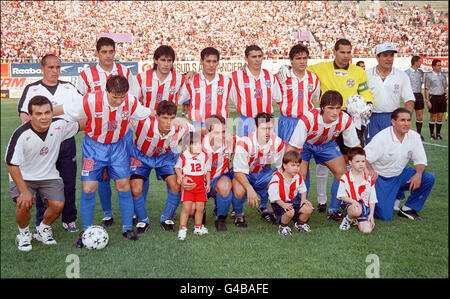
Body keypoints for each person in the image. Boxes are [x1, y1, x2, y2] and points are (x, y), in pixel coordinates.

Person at [55, 75, 151, 246]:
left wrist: (176, 122)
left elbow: (149, 113)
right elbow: (65, 108)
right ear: (107, 91)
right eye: (115, 97)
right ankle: (86, 230)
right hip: (94, 147)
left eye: (122, 97)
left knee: (123, 185)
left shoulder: (131, 102)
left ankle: (127, 228)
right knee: (88, 188)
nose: (119, 101)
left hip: (118, 147)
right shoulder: (91, 100)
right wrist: (38, 115)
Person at [77, 36, 140, 228]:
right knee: (100, 176)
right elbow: (80, 104)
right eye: (103, 52)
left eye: (110, 51)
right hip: (97, 138)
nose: (107, 55)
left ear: (115, 52)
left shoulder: (125, 72)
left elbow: (133, 99)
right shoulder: (87, 75)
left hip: (122, 136)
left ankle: (129, 223)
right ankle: (107, 213)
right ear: (97, 53)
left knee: (124, 179)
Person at [307, 38, 374, 213]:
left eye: (348, 52)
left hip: (350, 121)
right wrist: (286, 69)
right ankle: (321, 200)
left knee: (347, 162)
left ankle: (340, 202)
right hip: (328, 119)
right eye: (342, 52)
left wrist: (368, 104)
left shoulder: (358, 71)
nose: (346, 56)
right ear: (334, 52)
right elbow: (300, 69)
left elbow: (365, 91)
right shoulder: (320, 68)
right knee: (322, 163)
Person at [17, 54, 82, 232]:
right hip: (42, 144)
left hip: (66, 142)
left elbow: (83, 109)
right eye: (51, 67)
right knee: (42, 182)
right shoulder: (32, 88)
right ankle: (42, 222)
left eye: (58, 68)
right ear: (42, 68)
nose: (55, 71)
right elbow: (24, 115)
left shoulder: (69, 88)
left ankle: (69, 219)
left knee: (68, 181)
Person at [6, 96, 80, 251]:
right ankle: (24, 234)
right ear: (30, 116)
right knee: (24, 202)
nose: (44, 117)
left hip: (48, 175)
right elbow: (12, 164)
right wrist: (24, 192)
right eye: (39, 114)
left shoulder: (59, 125)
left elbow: (82, 125)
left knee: (59, 204)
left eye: (47, 112)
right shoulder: (20, 135)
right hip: (23, 175)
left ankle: (43, 229)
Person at [286, 90, 361, 221]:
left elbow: (355, 147)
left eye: (338, 108)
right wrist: (285, 167)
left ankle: (333, 210)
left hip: (327, 144)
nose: (335, 112)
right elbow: (292, 146)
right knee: (300, 175)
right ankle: (300, 209)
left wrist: (366, 167)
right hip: (305, 144)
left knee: (343, 174)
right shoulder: (309, 118)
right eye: (330, 108)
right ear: (322, 108)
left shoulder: (345, 119)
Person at [128, 100, 193, 233]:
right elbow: (125, 116)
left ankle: (167, 218)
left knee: (175, 185)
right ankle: (142, 220)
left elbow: (199, 131)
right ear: (156, 117)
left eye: (172, 118)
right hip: (141, 156)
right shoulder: (143, 123)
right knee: (136, 188)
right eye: (164, 118)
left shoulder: (181, 127)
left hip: (165, 157)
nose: (168, 122)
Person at [364, 108, 435, 221]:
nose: (406, 124)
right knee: (384, 216)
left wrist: (418, 174)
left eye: (408, 120)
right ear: (393, 122)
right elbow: (364, 158)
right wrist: (371, 171)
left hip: (400, 174)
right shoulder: (382, 138)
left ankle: (408, 208)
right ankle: (375, 196)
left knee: (428, 178)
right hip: (382, 178)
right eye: (402, 120)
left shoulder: (414, 136)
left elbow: (420, 160)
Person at [275, 43, 322, 210]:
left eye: (304, 58)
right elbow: (276, 98)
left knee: (303, 164)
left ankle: (301, 202)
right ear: (291, 60)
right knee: (285, 162)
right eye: (298, 58)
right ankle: (281, 202)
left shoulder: (313, 78)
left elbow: (316, 98)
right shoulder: (281, 78)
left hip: (306, 124)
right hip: (288, 122)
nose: (302, 62)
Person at [232, 112, 286, 226]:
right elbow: (238, 172)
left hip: (262, 173)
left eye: (270, 128)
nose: (267, 132)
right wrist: (249, 188)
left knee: (282, 181)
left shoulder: (278, 143)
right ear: (255, 127)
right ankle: (238, 214)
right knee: (239, 189)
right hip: (244, 174)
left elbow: (281, 169)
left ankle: (269, 210)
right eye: (263, 128)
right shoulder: (244, 143)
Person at [365, 43, 415, 144]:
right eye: (385, 55)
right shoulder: (366, 75)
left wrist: (406, 119)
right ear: (377, 57)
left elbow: (409, 99)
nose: (389, 59)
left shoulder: (401, 75)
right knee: (373, 151)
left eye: (391, 55)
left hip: (393, 118)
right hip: (371, 118)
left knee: (394, 151)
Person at [229, 45, 282, 137]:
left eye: (259, 56)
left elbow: (279, 99)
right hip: (247, 121)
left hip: (267, 121)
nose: (257, 59)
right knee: (246, 149)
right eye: (253, 57)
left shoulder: (270, 76)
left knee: (269, 150)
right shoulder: (234, 77)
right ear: (246, 58)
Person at [180, 47, 232, 134]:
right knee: (196, 148)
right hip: (197, 126)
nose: (211, 65)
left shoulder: (227, 81)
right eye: (208, 61)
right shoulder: (191, 80)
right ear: (201, 61)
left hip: (219, 126)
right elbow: (180, 99)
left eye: (214, 61)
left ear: (218, 62)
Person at [203, 115, 236, 231]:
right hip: (200, 180)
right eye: (216, 132)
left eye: (223, 131)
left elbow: (251, 142)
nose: (221, 136)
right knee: (192, 210)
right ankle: (199, 210)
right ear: (208, 132)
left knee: (225, 186)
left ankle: (220, 218)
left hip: (220, 177)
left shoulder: (231, 140)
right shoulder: (197, 143)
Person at [268, 150, 313, 236]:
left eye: (298, 166)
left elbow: (303, 189)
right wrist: (283, 204)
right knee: (290, 211)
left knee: (308, 208)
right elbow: (273, 195)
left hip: (294, 201)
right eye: (292, 165)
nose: (296, 168)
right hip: (280, 203)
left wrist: (303, 199)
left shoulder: (298, 176)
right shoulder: (277, 177)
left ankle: (300, 224)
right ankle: (283, 227)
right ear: (284, 165)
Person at [176, 132, 211, 240]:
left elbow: (207, 171)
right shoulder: (184, 156)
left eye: (199, 144)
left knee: (200, 208)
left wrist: (208, 183)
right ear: (187, 146)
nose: (198, 146)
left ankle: (198, 227)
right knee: (186, 208)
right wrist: (179, 176)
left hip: (200, 186)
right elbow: (177, 167)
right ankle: (182, 228)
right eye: (194, 144)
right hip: (189, 187)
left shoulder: (204, 156)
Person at [135, 45, 187, 112]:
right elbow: (133, 101)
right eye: (162, 60)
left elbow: (185, 97)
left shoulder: (180, 78)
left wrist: (192, 74)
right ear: (155, 60)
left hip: (169, 121)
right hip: (147, 121)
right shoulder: (142, 78)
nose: (166, 64)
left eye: (169, 60)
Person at [337, 147, 377, 233]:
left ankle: (357, 220)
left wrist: (371, 215)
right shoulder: (346, 177)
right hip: (351, 205)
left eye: (363, 161)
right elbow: (341, 195)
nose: (361, 164)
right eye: (357, 162)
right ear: (350, 162)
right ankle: (348, 219)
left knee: (367, 230)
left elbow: (372, 199)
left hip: (364, 207)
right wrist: (354, 202)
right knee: (357, 210)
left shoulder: (368, 179)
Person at [425, 59, 448, 140]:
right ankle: (432, 134)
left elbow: (445, 88)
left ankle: (438, 134)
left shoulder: (443, 76)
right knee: (433, 116)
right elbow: (426, 89)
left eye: (440, 65)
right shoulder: (429, 77)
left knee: (440, 116)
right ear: (433, 66)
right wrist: (428, 101)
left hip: (442, 98)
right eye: (438, 65)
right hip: (433, 98)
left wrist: (447, 98)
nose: (440, 67)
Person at [405, 56, 425, 140]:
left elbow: (421, 83)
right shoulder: (406, 72)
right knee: (409, 115)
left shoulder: (421, 72)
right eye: (419, 61)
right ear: (415, 62)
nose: (421, 63)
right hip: (410, 95)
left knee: (420, 116)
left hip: (419, 94)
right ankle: (407, 133)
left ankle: (419, 134)